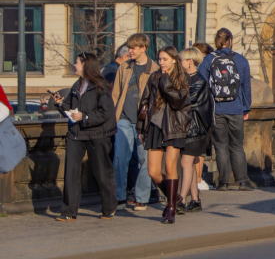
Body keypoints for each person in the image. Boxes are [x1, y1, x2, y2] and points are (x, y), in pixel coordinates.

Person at [56, 52, 118, 221]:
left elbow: (106, 113)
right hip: (76, 134)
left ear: (85, 65)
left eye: (77, 62)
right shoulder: (77, 85)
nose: (74, 65)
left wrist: (85, 116)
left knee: (101, 172)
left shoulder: (100, 86)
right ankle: (69, 212)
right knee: (71, 173)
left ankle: (109, 207)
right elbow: (70, 108)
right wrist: (60, 103)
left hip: (97, 134)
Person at [139, 46, 191, 223]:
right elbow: (145, 102)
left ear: (174, 60)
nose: (161, 62)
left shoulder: (182, 78)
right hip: (155, 126)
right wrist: (141, 129)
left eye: (165, 59)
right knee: (153, 171)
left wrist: (165, 80)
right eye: (159, 59)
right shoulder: (154, 76)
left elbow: (178, 101)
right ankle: (174, 197)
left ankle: (171, 208)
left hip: (174, 126)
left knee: (170, 167)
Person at [199, 27, 254, 191]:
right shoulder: (241, 60)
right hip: (236, 108)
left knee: (221, 146)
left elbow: (201, 82)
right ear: (230, 41)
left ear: (217, 41)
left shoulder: (209, 59)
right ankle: (243, 182)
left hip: (217, 109)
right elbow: (246, 87)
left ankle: (223, 183)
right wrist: (246, 108)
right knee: (237, 145)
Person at [110, 34, 158, 210]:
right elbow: (115, 94)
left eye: (133, 48)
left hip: (144, 122)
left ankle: (142, 197)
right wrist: (113, 117)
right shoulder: (124, 67)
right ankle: (119, 197)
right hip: (123, 119)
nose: (129, 51)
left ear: (143, 48)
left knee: (144, 160)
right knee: (120, 157)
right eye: (129, 48)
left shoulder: (154, 69)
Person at [178, 47, 214, 213]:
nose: (179, 63)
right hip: (189, 128)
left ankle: (180, 199)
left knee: (185, 162)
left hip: (195, 129)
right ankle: (195, 200)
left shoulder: (199, 80)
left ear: (190, 62)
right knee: (190, 164)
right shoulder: (188, 78)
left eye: (181, 60)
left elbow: (187, 100)